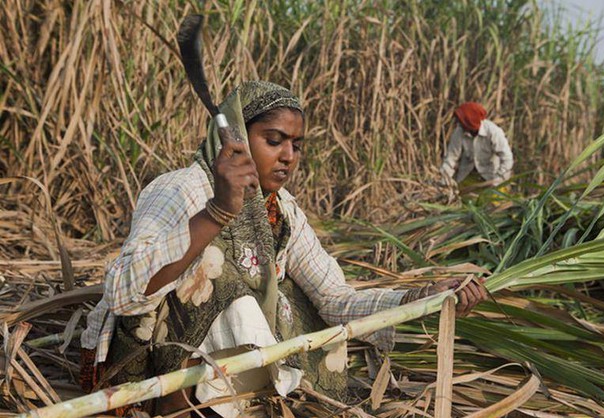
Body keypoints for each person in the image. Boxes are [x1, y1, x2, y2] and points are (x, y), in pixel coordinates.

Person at [80, 81, 488, 417]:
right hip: (157, 377)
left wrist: (421, 299)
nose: (289, 157)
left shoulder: (282, 210)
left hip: (234, 378)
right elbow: (123, 294)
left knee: (279, 290)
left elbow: (335, 300)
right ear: (236, 138)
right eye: (274, 140)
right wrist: (217, 213)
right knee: (227, 279)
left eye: (297, 144)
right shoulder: (180, 190)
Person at [440, 102, 514, 190]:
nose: (459, 123)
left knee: (496, 202)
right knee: (464, 201)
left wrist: (497, 181)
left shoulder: (493, 132)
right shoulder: (459, 132)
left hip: (491, 176)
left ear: (470, 121)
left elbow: (507, 159)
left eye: (462, 121)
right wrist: (445, 180)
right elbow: (451, 158)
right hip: (467, 176)